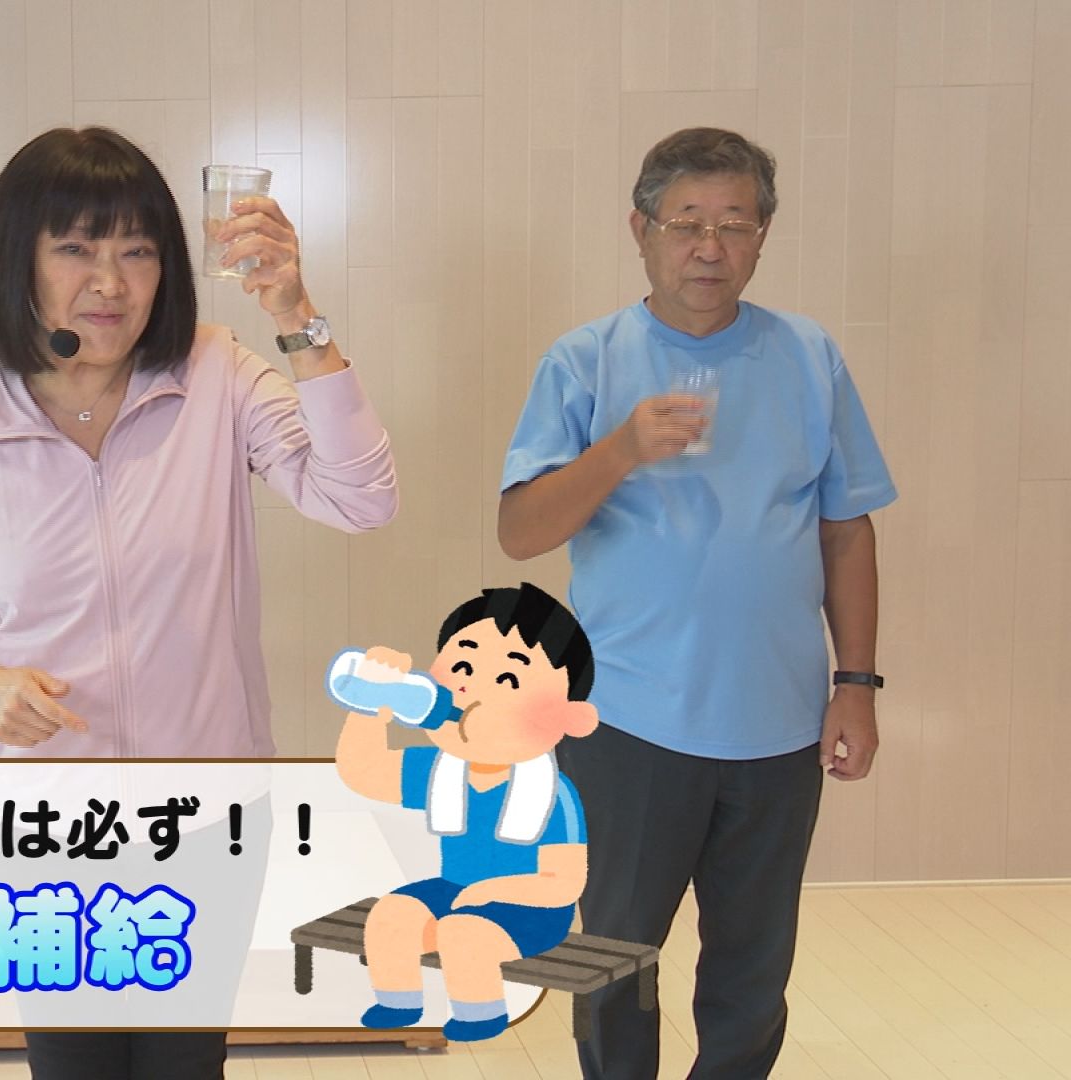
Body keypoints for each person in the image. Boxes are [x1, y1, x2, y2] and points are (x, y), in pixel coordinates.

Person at [0, 126, 397, 1078]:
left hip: (203, 819)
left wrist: (297, 312)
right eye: (75, 248)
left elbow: (361, 498)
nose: (110, 282)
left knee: (183, 1066)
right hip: (41, 830)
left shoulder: (216, 375)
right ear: (17, 260)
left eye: (137, 250)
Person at [497, 127, 896, 1079]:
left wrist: (856, 685)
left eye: (734, 224)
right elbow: (521, 530)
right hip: (628, 723)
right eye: (686, 222)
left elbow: (846, 530)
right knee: (615, 961)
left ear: (762, 237)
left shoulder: (809, 356)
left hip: (778, 725)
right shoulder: (586, 360)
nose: (709, 247)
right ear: (641, 230)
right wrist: (621, 450)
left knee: (753, 972)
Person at [334, 583, 598, 1041]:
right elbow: (364, 772)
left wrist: (491, 891)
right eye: (462, 667)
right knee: (391, 915)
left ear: (565, 715)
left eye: (508, 680)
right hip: (457, 889)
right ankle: (398, 1001)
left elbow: (564, 883)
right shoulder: (442, 769)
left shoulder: (552, 794)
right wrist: (371, 706)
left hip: (531, 908)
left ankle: (481, 1014)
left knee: (464, 934)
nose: (470, 691)